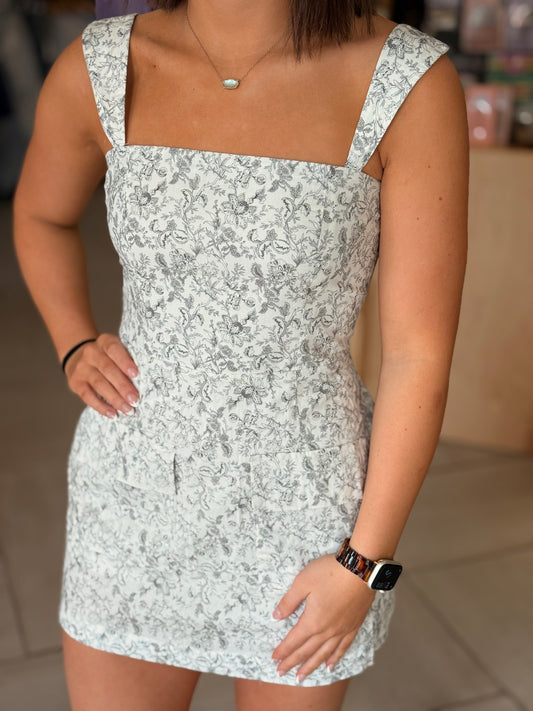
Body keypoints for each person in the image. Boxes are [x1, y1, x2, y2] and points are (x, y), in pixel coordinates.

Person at [12, 1, 469, 709]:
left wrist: (363, 563)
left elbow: (418, 355)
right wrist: (73, 340)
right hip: (130, 505)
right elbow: (42, 214)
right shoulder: (100, 65)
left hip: (307, 519)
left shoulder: (406, 80)